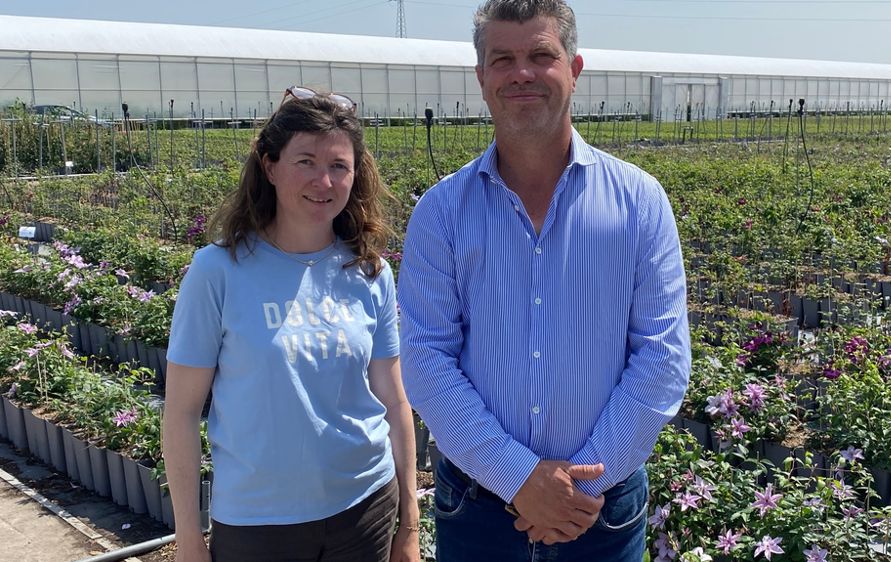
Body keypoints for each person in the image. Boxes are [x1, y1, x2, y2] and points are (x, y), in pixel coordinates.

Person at [397, 1, 691, 560]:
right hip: (481, 509)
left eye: (540, 54)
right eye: (502, 58)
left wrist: (576, 490)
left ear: (574, 69)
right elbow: (427, 359)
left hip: (600, 515)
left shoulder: (639, 202)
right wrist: (520, 479)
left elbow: (662, 355)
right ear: (481, 76)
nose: (521, 72)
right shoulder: (441, 214)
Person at [163, 89, 420, 562]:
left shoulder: (369, 271)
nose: (324, 180)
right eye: (305, 161)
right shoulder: (218, 271)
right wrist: (188, 539)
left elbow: (393, 399)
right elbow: (180, 413)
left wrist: (409, 522)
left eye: (339, 166)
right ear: (270, 166)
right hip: (259, 526)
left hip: (366, 510)